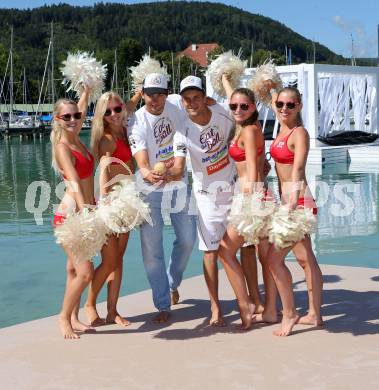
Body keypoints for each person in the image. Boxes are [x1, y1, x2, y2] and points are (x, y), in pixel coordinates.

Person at [169, 76, 245, 327]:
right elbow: (179, 167)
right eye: (187, 99)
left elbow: (243, 128)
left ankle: (250, 299)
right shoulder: (181, 130)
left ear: (205, 97)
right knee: (211, 251)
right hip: (206, 197)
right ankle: (215, 306)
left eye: (196, 97)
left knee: (246, 245)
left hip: (234, 188)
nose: (192, 103)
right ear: (182, 100)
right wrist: (161, 174)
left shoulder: (222, 113)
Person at [128, 73, 197, 323]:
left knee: (188, 239)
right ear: (143, 94)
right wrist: (147, 172)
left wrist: (177, 169)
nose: (155, 100)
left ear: (168, 94)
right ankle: (162, 303)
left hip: (179, 184)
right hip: (149, 190)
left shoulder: (178, 103)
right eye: (150, 94)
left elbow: (202, 102)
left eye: (160, 94)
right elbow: (142, 159)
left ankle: (171, 282)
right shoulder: (136, 120)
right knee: (151, 249)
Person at [267, 86, 323, 336]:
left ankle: (289, 314)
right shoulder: (282, 127)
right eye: (280, 104)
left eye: (291, 105)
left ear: (299, 106)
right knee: (305, 258)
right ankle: (315, 314)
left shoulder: (299, 133)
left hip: (298, 201)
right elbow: (276, 106)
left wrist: (288, 205)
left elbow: (298, 169)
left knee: (273, 259)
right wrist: (271, 91)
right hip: (294, 200)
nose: (284, 108)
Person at [85, 90, 142, 327]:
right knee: (109, 261)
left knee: (118, 259)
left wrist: (139, 92)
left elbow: (128, 104)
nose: (113, 114)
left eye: (117, 109)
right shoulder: (107, 138)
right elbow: (105, 168)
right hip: (111, 202)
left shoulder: (126, 129)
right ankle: (89, 304)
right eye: (107, 112)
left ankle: (112, 311)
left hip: (128, 200)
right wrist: (105, 201)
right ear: (102, 116)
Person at [51, 86, 95, 339]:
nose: (72, 120)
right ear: (57, 120)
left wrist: (86, 93)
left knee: (73, 270)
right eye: (66, 117)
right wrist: (84, 211)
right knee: (85, 272)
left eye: (75, 116)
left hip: (85, 210)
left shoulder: (76, 136)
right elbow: (75, 180)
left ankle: (75, 317)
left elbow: (80, 109)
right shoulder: (62, 146)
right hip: (71, 216)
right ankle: (63, 318)